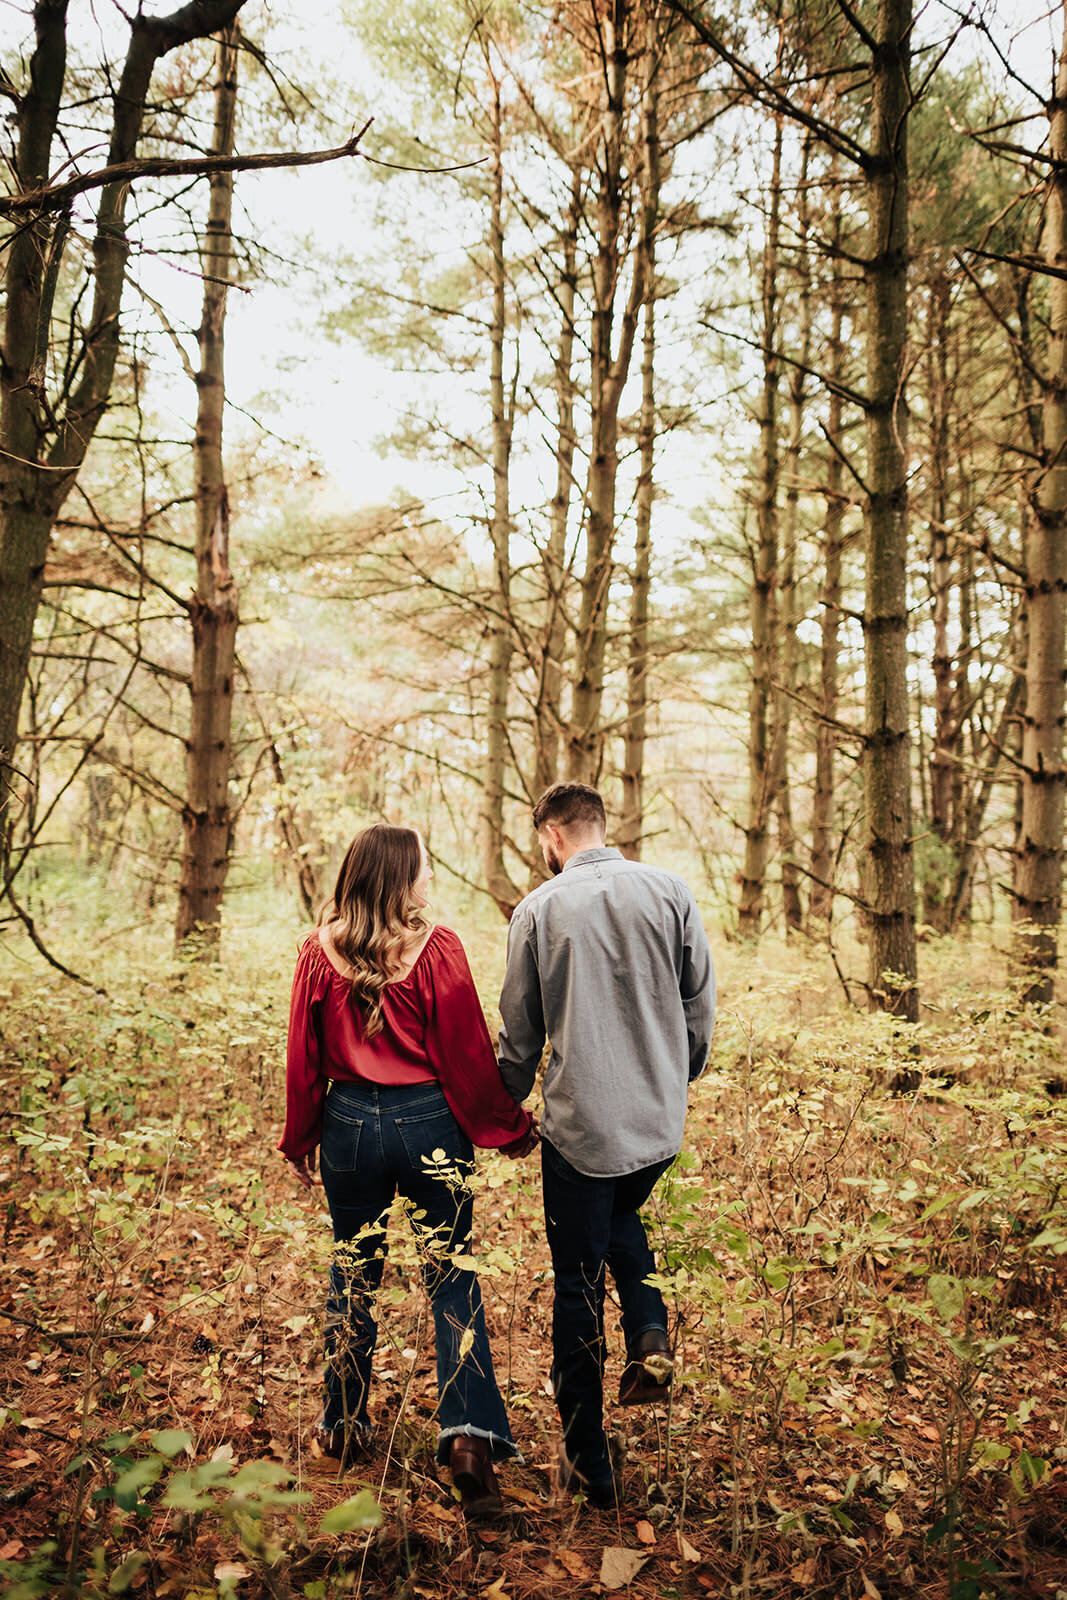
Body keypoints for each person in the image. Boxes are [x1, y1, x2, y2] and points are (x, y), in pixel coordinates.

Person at [280, 822, 537, 1514]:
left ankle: (340, 1427)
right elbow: (465, 1053)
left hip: (347, 1127)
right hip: (428, 1121)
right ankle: (467, 1442)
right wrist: (503, 1124)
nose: (430, 878)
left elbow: (303, 1061)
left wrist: (299, 1138)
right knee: (452, 1274)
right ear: (399, 877)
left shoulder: (316, 952)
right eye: (422, 868)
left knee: (351, 1267)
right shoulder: (438, 947)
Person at [497, 782, 715, 1508]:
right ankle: (649, 1331)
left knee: (575, 1279)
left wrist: (502, 1107)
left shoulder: (537, 910)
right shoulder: (670, 890)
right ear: (597, 825)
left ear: (550, 835)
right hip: (656, 1124)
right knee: (621, 1216)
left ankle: (589, 1459)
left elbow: (520, 1035)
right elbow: (698, 1002)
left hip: (582, 1128)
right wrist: (672, 1074)